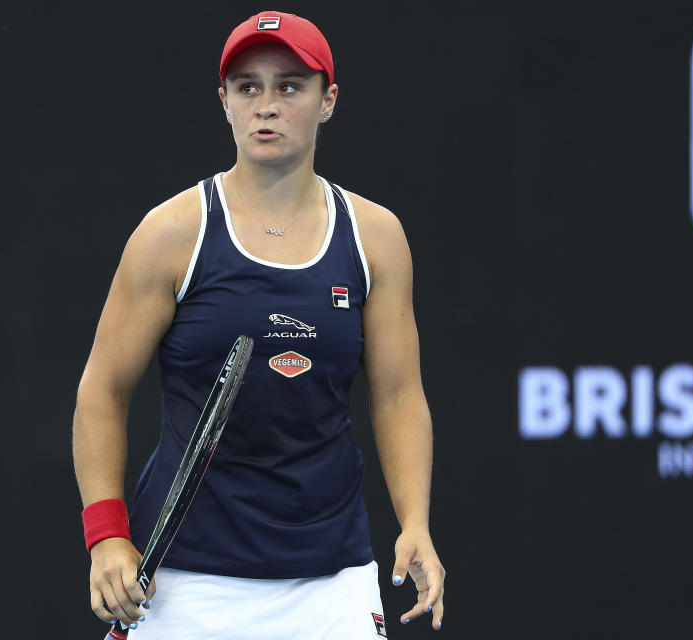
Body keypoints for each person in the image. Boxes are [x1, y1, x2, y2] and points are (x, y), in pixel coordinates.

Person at [73, 10, 445, 638]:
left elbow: (399, 394)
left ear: (327, 101)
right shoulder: (171, 234)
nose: (266, 105)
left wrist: (415, 523)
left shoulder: (375, 237)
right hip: (186, 581)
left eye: (289, 86)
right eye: (248, 87)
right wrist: (106, 536)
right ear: (224, 102)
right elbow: (101, 392)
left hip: (333, 578)